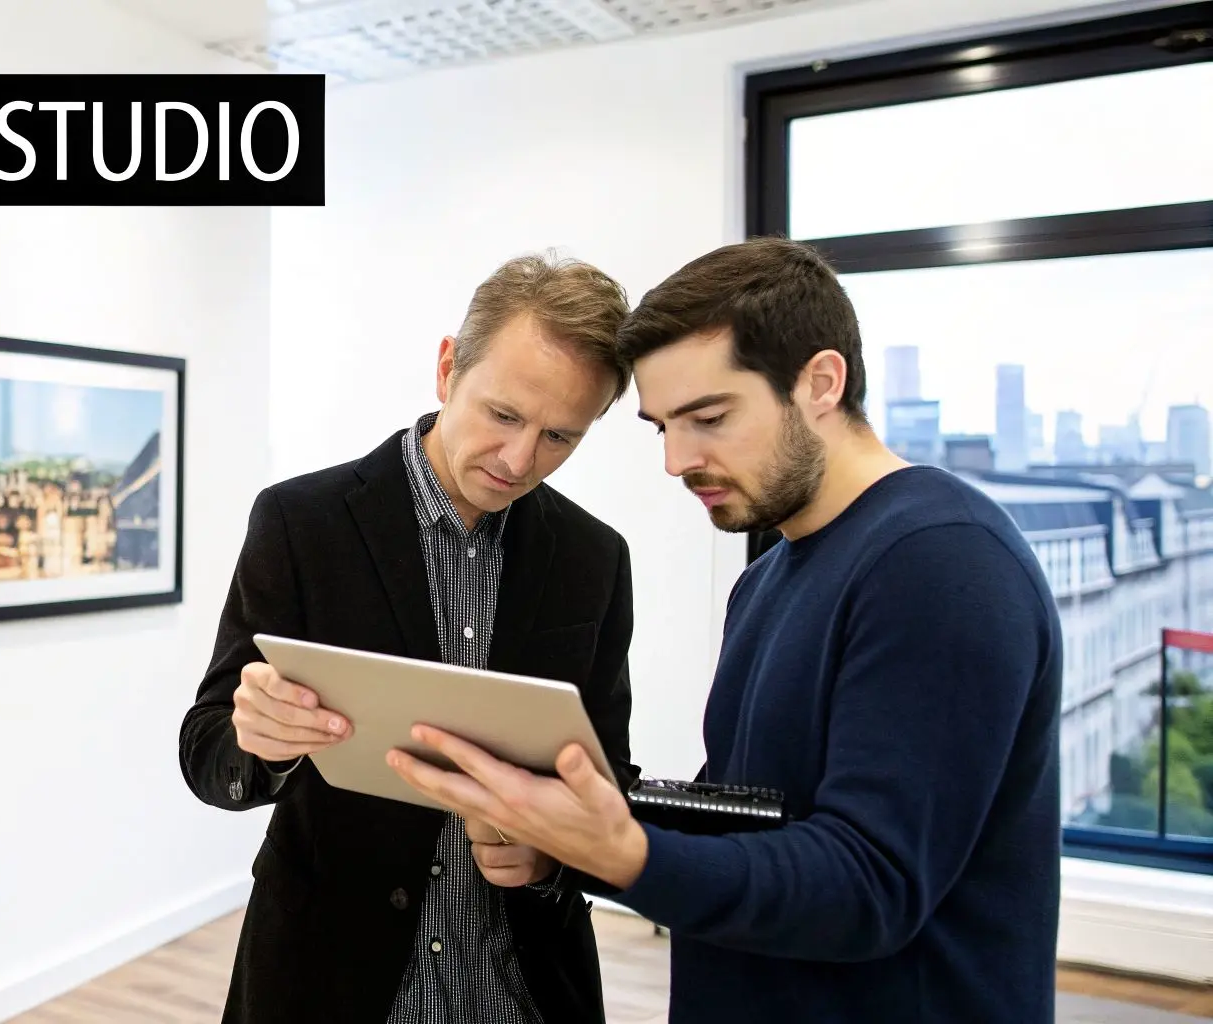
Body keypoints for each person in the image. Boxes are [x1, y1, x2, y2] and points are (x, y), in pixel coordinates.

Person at [388, 235, 1064, 1023]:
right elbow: (750, 821)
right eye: (662, 427)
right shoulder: (770, 578)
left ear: (820, 382)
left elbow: (870, 884)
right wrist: (570, 831)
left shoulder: (942, 564)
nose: (677, 460)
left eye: (708, 418)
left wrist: (625, 852)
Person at [177, 250, 642, 1024]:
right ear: (447, 367)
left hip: (520, 988)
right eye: (502, 415)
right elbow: (207, 751)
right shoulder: (301, 523)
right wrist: (263, 740)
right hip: (330, 982)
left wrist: (552, 858)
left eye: (561, 436)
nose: (520, 460)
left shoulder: (595, 558)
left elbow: (608, 777)